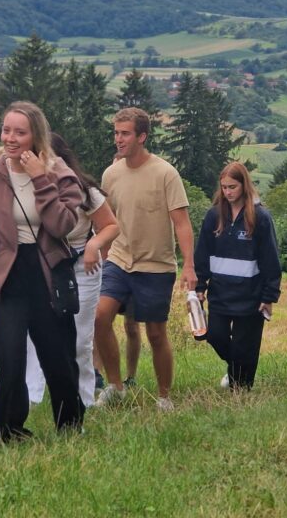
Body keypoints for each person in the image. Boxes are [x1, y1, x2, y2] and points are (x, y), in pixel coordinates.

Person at [0, 102, 85, 442]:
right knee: (11, 356)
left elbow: (63, 224)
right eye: (7, 130)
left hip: (47, 271)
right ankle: (8, 430)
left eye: (19, 132)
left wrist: (39, 178)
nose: (10, 138)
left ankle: (70, 425)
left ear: (36, 135)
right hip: (7, 274)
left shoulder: (58, 171)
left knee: (57, 356)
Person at [94, 107, 195, 411]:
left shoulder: (166, 173)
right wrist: (100, 255)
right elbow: (104, 222)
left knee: (155, 332)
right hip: (119, 260)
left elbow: (181, 222)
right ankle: (115, 385)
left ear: (142, 136)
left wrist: (189, 265)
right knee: (100, 317)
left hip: (156, 266)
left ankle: (164, 396)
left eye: (125, 133)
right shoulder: (110, 174)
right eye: (116, 133)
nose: (118, 139)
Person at [26, 132, 120, 408]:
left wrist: (94, 245)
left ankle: (84, 399)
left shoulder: (83, 190)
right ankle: (32, 393)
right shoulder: (26, 189)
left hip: (81, 266)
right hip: (41, 268)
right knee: (35, 333)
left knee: (80, 338)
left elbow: (111, 226)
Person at [194, 161, 282, 389]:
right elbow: (202, 251)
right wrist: (200, 285)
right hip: (220, 293)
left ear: (244, 185)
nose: (228, 192)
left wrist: (269, 295)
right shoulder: (214, 215)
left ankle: (240, 388)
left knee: (246, 345)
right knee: (215, 336)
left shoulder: (260, 217)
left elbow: (271, 258)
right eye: (224, 187)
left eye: (232, 187)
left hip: (251, 295)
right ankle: (235, 371)